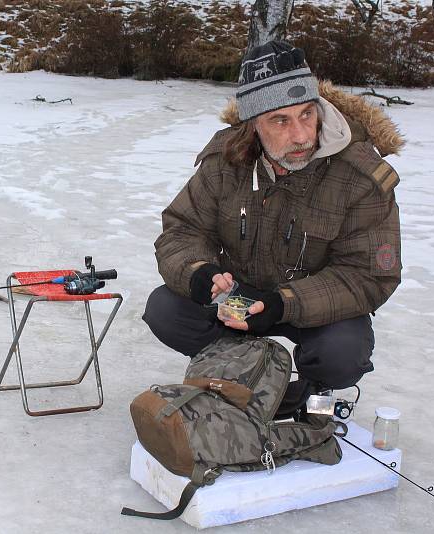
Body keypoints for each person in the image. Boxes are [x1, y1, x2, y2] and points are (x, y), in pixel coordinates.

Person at [144, 40, 403, 417]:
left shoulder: (360, 175)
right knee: (165, 308)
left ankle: (306, 395)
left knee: (343, 353)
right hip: (237, 301)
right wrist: (202, 275)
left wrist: (285, 303)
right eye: (280, 120)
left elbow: (368, 276)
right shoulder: (226, 159)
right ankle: (241, 373)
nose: (300, 135)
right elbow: (182, 230)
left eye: (306, 115)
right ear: (253, 125)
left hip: (311, 308)